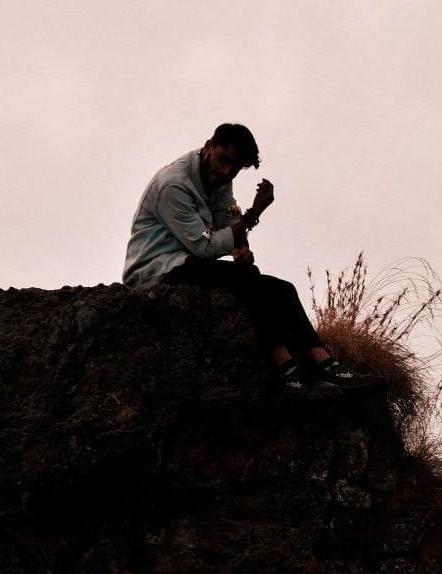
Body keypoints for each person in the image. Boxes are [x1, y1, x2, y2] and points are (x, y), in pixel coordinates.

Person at [122, 123, 384, 399]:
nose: (226, 172)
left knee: (282, 288)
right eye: (224, 160)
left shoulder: (218, 178)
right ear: (209, 146)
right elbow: (204, 246)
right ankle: (289, 374)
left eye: (234, 169)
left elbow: (229, 215)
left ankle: (327, 366)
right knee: (248, 282)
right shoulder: (174, 185)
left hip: (187, 262)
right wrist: (254, 213)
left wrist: (241, 248)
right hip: (157, 269)